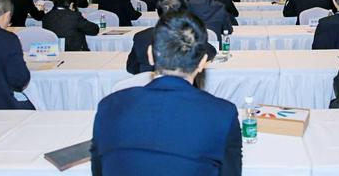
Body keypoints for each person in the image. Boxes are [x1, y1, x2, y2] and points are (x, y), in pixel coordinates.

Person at [93, 11, 241, 176]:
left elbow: (99, 170)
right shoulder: (222, 114)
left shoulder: (109, 107)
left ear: (150, 55)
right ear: (201, 63)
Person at [126, 0, 216, 74]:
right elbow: (210, 52)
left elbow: (131, 68)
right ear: (185, 12)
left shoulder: (141, 37)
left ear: (158, 12)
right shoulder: (190, 35)